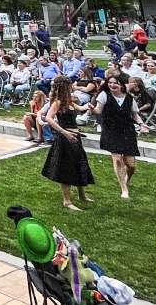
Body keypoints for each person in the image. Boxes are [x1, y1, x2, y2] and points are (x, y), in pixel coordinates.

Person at [41, 76, 94, 211]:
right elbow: (48, 118)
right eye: (70, 85)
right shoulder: (58, 102)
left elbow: (81, 108)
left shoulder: (69, 101)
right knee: (67, 168)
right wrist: (64, 132)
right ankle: (67, 201)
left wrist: (88, 106)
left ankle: (82, 195)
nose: (72, 87)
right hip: (65, 139)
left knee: (79, 164)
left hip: (75, 138)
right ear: (64, 87)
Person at [93, 76, 149, 199]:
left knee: (131, 165)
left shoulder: (129, 99)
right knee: (118, 159)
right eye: (110, 83)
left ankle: (127, 180)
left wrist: (141, 124)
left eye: (115, 83)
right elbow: (98, 110)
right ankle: (124, 189)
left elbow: (135, 114)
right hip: (111, 130)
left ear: (122, 85)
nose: (112, 85)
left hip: (127, 131)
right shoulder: (104, 95)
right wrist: (92, 109)